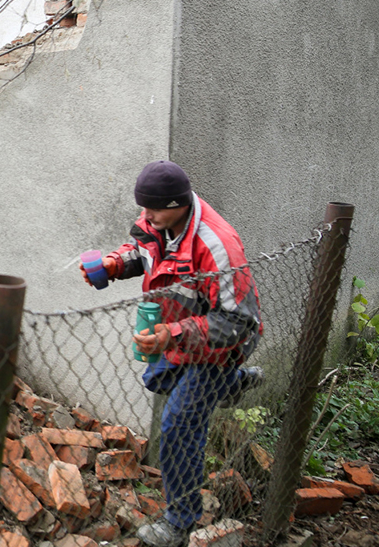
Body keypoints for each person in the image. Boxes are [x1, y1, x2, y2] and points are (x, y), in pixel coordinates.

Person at [82, 160, 264, 547]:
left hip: (221, 344)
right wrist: (114, 265)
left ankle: (179, 522)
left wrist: (173, 334)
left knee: (179, 425)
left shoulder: (217, 246)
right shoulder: (156, 219)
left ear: (179, 203)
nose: (144, 217)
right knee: (156, 377)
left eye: (153, 210)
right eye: (143, 209)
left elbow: (238, 321)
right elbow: (141, 249)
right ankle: (234, 386)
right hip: (178, 332)